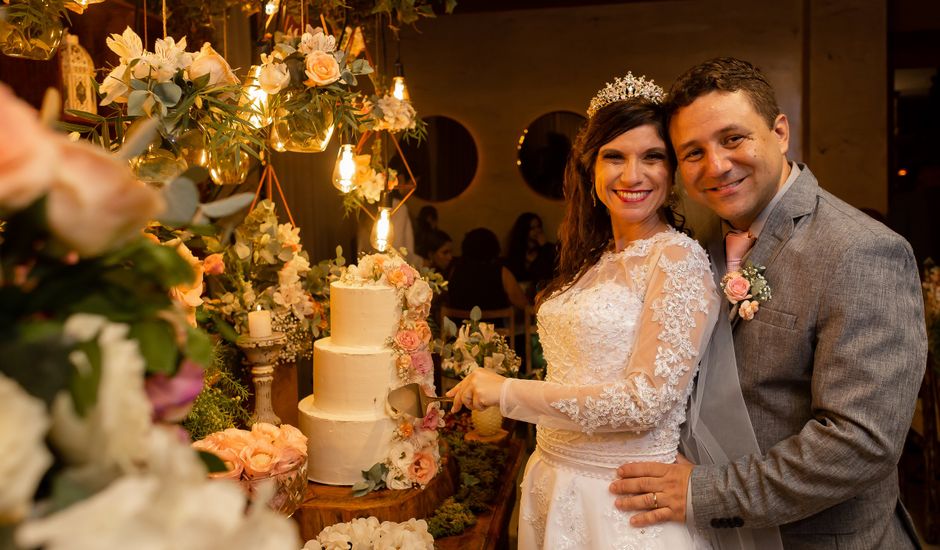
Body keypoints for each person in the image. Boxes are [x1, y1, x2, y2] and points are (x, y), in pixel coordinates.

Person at [610, 57, 927, 549]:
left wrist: (702, 491)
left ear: (779, 132)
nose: (716, 165)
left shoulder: (859, 250)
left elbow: (861, 442)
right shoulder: (697, 252)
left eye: (733, 138)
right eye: (693, 152)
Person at [447, 73, 732, 548]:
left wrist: (507, 392)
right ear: (590, 167)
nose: (631, 176)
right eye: (614, 156)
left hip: (621, 500)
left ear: (674, 169)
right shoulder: (592, 257)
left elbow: (645, 402)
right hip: (553, 480)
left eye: (652, 157)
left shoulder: (677, 260)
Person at [445, 227, 529, 314]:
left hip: (460, 326)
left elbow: (448, 299)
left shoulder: (454, 270)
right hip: (494, 326)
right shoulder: (501, 272)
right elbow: (523, 304)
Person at [506, 212, 557, 298]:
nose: (537, 231)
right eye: (532, 228)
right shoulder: (518, 250)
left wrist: (544, 247)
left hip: (543, 292)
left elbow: (549, 271)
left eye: (539, 227)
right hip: (522, 293)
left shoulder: (548, 249)